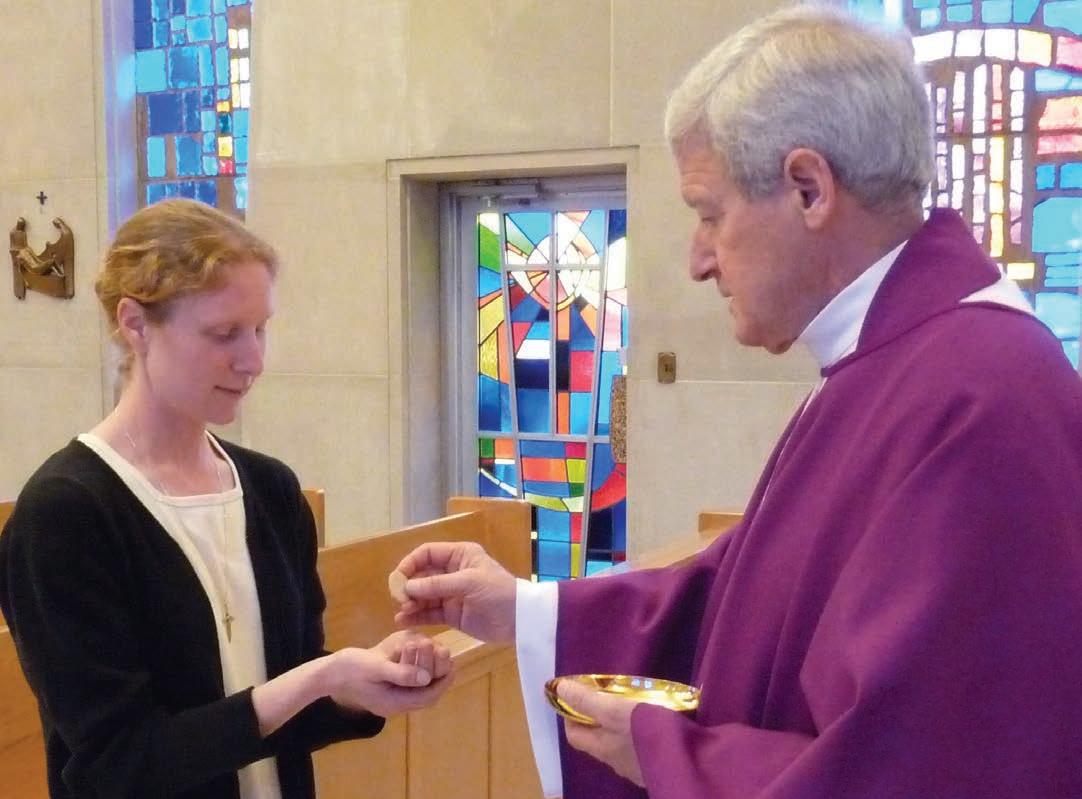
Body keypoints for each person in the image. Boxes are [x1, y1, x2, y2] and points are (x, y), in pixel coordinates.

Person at [392, 7, 1082, 798]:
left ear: (809, 189)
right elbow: (752, 600)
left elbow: (933, 768)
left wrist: (667, 752)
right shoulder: (893, 366)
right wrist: (527, 611)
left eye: (709, 214)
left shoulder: (977, 399)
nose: (698, 260)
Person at [0, 198, 452, 799]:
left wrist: (355, 686)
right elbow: (115, 764)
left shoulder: (270, 490)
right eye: (223, 333)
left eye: (260, 328)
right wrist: (318, 678)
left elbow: (283, 709)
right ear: (134, 323)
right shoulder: (65, 514)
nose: (254, 360)